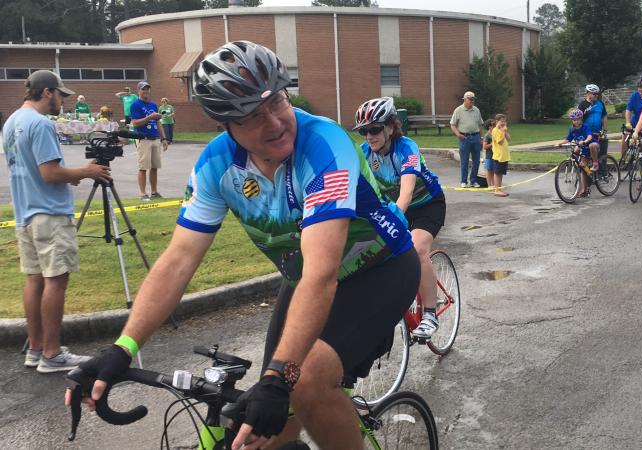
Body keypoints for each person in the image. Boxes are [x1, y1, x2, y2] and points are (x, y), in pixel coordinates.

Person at [64, 41, 419, 450]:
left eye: (277, 102)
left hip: (380, 270)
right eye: (252, 116)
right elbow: (178, 260)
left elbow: (322, 273)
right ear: (225, 124)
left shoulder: (324, 144)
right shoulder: (217, 165)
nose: (275, 123)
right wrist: (123, 348)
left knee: (301, 381)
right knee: (255, 425)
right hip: (303, 279)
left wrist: (279, 377)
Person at [2, 70, 111, 373]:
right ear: (47, 92)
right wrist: (87, 171)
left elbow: (35, 171)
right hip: (49, 213)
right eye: (61, 95)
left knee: (34, 279)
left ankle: (36, 349)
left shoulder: (12, 122)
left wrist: (71, 175)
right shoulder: (40, 123)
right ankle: (52, 354)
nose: (63, 101)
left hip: (25, 212)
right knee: (55, 280)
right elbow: (49, 173)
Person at [353, 96, 445, 339]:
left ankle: (430, 314)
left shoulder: (406, 148)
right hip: (393, 208)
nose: (369, 136)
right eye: (364, 131)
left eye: (374, 129)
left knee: (417, 249)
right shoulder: (364, 153)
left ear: (390, 127)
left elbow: (406, 191)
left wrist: (393, 218)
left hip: (426, 205)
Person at [129, 81, 168, 201]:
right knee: (143, 167)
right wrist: (150, 117)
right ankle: (142, 193)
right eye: (143, 89)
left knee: (154, 167)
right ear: (138, 91)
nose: (146, 91)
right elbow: (135, 123)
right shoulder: (135, 105)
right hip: (143, 139)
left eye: (147, 89)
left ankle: (154, 192)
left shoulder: (153, 105)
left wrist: (164, 138)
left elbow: (158, 123)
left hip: (155, 138)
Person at [558, 109, 598, 197]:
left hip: (591, 145)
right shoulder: (572, 129)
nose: (576, 121)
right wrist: (559, 144)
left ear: (581, 119)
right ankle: (585, 182)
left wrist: (585, 141)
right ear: (572, 120)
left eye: (578, 119)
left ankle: (595, 164)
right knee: (580, 162)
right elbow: (567, 139)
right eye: (574, 120)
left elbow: (590, 136)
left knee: (591, 146)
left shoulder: (585, 126)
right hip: (583, 148)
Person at [450, 91, 484, 188]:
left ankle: (473, 180)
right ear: (465, 99)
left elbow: (480, 125)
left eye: (473, 99)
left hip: (476, 137)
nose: (472, 101)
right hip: (464, 137)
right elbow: (452, 124)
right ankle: (463, 181)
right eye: (470, 99)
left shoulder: (476, 110)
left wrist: (481, 138)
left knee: (476, 160)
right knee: (464, 160)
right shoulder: (458, 110)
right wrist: (458, 134)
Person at [578, 84, 608, 163]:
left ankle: (596, 165)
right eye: (594, 94)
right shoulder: (582, 105)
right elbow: (578, 120)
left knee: (595, 151)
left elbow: (604, 116)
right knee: (578, 151)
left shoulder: (600, 103)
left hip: (597, 133)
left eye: (597, 94)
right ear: (588, 93)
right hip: (586, 133)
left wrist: (605, 131)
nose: (596, 96)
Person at [622, 78, 642, 162]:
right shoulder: (634, 95)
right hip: (635, 122)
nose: (640, 90)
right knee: (624, 135)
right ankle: (623, 159)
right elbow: (628, 110)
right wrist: (628, 123)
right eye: (639, 88)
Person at [491, 114, 511, 197]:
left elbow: (509, 139)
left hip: (504, 155)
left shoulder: (502, 130)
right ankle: (497, 190)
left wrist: (505, 132)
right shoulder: (495, 130)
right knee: (497, 173)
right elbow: (500, 142)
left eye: (505, 121)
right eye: (502, 121)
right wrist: (503, 132)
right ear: (497, 121)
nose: (503, 123)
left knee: (501, 173)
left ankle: (500, 188)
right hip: (498, 156)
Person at [483, 119, 496, 189]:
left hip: (496, 154)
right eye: (493, 125)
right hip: (489, 155)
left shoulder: (495, 133)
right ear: (489, 127)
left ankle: (494, 184)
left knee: (494, 170)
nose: (495, 126)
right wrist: (492, 144)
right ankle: (489, 185)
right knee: (489, 170)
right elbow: (484, 146)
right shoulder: (487, 135)